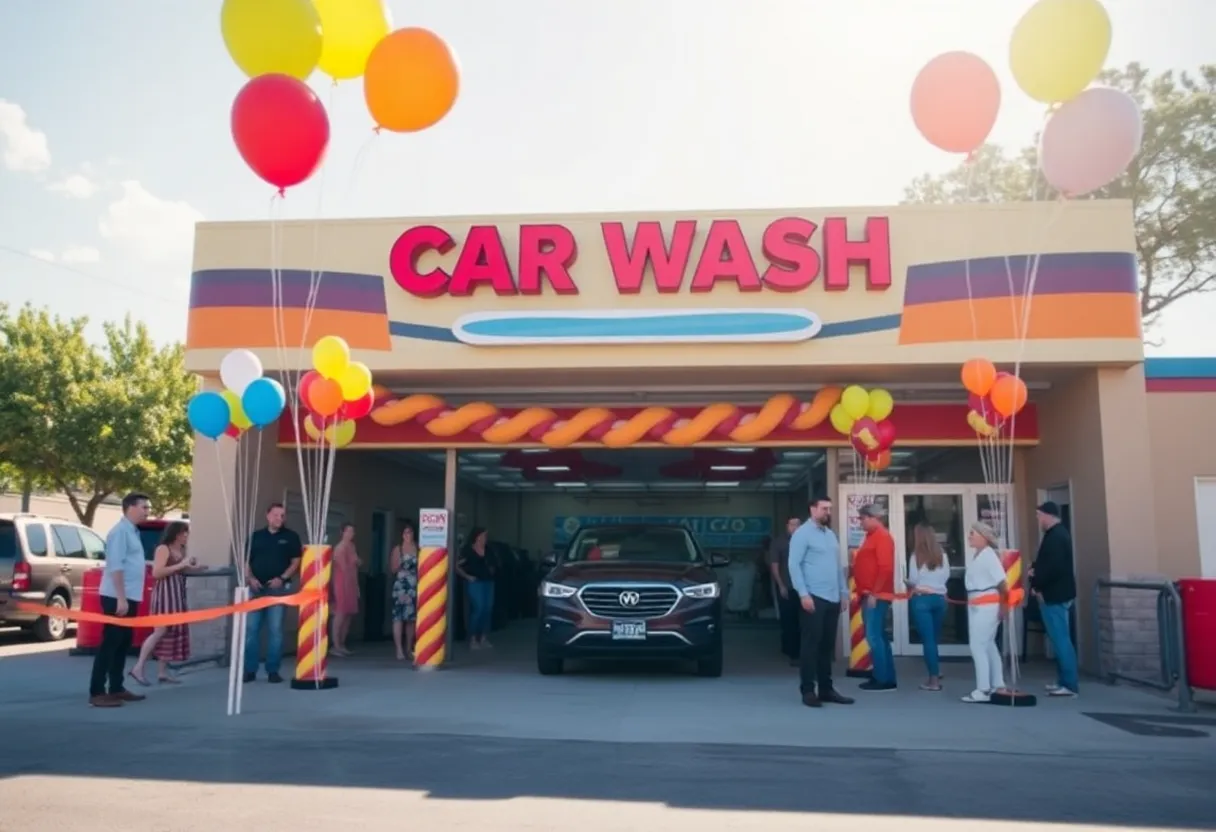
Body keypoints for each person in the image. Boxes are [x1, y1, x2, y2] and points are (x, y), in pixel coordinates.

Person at [787, 496, 853, 708]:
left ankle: (826, 689)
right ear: (812, 509)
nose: (828, 513)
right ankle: (808, 690)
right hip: (814, 596)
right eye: (824, 509)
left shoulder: (830, 535)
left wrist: (844, 592)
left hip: (833, 596)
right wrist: (803, 594)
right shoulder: (802, 534)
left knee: (826, 646)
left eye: (830, 509)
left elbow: (837, 566)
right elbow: (794, 565)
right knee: (810, 645)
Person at [89, 492, 152, 708]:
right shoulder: (119, 532)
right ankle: (97, 692)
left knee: (123, 643)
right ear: (130, 507)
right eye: (144, 507)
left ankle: (116, 687)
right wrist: (121, 599)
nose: (147, 511)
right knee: (110, 643)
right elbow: (115, 566)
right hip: (116, 597)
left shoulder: (132, 531)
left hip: (130, 596)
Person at [129, 522, 196, 686]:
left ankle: (162, 672)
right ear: (176, 534)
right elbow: (157, 573)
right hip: (164, 595)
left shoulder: (180, 550)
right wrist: (181, 565)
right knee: (160, 630)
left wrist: (194, 567)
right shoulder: (163, 549)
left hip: (176, 594)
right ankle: (138, 667)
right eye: (184, 533)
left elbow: (179, 570)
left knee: (170, 632)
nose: (186, 536)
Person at [243, 502, 303, 684]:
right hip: (256, 590)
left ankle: (273, 670)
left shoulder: (291, 537)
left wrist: (282, 579)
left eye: (283, 515)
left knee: (275, 630)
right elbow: (246, 561)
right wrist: (250, 579)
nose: (280, 518)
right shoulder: (256, 536)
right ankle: (249, 670)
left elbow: (296, 562)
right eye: (277, 515)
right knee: (252, 630)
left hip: (277, 590)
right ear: (268, 516)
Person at [1030, 501, 1079, 697]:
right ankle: (1063, 681)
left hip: (1054, 595)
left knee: (1061, 640)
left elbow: (1054, 568)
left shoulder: (1056, 537)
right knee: (1059, 638)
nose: (1038, 519)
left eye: (1039, 515)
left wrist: (1037, 583)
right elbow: (1049, 564)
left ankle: (1069, 684)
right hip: (1056, 593)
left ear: (1048, 515)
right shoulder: (1056, 535)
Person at [962, 522, 1010, 704]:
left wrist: (1004, 608)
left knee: (977, 645)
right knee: (988, 644)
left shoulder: (989, 556)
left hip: (987, 605)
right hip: (976, 603)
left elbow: (1003, 584)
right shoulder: (979, 555)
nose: (970, 536)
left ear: (984, 536)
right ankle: (998, 684)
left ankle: (983, 688)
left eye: (973, 533)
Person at [854, 503, 897, 692]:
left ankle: (882, 679)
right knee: (879, 636)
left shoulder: (882, 537)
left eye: (862, 518)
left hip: (875, 595)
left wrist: (875, 592)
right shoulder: (871, 537)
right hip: (871, 593)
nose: (860, 522)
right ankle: (885, 676)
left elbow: (885, 567)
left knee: (873, 636)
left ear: (873, 518)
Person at [906, 522, 951, 691]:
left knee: (928, 641)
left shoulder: (915, 556)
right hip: (939, 599)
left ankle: (933, 680)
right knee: (935, 638)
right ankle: (936, 670)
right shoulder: (942, 555)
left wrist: (909, 584)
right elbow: (946, 575)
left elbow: (913, 580)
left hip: (922, 599)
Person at [767, 516, 801, 664]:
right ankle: (791, 651)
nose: (795, 527)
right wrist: (780, 585)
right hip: (787, 586)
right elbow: (774, 565)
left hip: (804, 588)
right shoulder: (779, 542)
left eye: (798, 524)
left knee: (802, 621)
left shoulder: (805, 541)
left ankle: (799, 651)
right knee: (788, 620)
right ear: (786, 525)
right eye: (792, 524)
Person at [456, 527, 495, 649]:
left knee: (487, 609)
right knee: (478, 608)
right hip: (475, 582)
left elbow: (493, 563)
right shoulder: (468, 551)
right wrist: (467, 577)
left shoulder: (488, 550)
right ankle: (473, 638)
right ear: (477, 537)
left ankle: (483, 637)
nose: (485, 538)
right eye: (483, 536)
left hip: (488, 582)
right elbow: (456, 566)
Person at [330, 523, 361, 657]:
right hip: (342, 583)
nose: (351, 534)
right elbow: (344, 567)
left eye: (352, 532)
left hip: (352, 583)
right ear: (342, 532)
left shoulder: (352, 546)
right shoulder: (340, 548)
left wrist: (356, 586)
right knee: (340, 613)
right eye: (348, 531)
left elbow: (356, 563)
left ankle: (342, 643)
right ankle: (335, 645)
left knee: (349, 614)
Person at [390, 521, 419, 661]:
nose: (409, 535)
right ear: (402, 535)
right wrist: (402, 566)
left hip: (414, 586)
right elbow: (393, 568)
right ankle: (399, 650)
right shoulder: (398, 549)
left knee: (411, 619)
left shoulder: (418, 548)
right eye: (406, 533)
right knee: (398, 618)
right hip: (401, 586)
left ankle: (408, 648)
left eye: (411, 532)